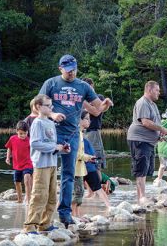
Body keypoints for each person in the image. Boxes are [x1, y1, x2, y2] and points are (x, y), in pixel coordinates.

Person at [39, 54, 113, 226]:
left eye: (73, 70)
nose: (71, 73)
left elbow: (96, 111)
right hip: (51, 133)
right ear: (60, 69)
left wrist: (106, 104)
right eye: (67, 71)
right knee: (46, 171)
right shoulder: (51, 83)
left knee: (68, 174)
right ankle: (42, 211)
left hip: (72, 135)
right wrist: (52, 114)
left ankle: (65, 213)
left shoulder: (83, 86)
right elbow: (38, 105)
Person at [23, 94, 67, 233]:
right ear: (38, 107)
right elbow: (35, 144)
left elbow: (51, 144)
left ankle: (45, 223)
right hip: (41, 165)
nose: (50, 108)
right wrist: (55, 147)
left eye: (51, 105)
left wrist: (62, 149)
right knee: (39, 195)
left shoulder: (50, 123)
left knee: (52, 195)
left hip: (53, 163)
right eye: (47, 105)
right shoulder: (37, 122)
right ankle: (29, 226)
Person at [127, 81, 167, 204]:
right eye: (157, 90)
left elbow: (154, 123)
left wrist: (158, 136)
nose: (159, 92)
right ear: (150, 90)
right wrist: (162, 129)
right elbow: (145, 122)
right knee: (140, 168)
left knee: (146, 169)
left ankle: (142, 196)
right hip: (139, 139)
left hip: (148, 141)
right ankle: (141, 197)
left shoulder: (153, 105)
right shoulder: (142, 102)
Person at [73, 111, 110, 217]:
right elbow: (78, 154)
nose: (90, 121)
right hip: (82, 168)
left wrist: (90, 158)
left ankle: (75, 215)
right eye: (87, 119)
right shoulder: (78, 135)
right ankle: (73, 214)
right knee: (78, 192)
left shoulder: (82, 136)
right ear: (80, 120)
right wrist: (89, 158)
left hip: (85, 167)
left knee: (78, 192)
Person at [5, 120, 33, 204]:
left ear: (27, 132)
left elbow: (34, 151)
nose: (23, 135)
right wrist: (7, 158)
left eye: (25, 133)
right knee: (17, 182)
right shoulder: (12, 139)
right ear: (17, 131)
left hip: (28, 164)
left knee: (27, 179)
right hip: (17, 165)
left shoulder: (30, 140)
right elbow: (9, 148)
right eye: (21, 133)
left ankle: (28, 199)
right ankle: (20, 199)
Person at [82, 78, 107, 170]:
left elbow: (96, 112)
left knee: (96, 158)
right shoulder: (81, 98)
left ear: (92, 86)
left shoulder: (98, 97)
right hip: (81, 132)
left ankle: (98, 181)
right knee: (83, 157)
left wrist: (83, 103)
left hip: (93, 131)